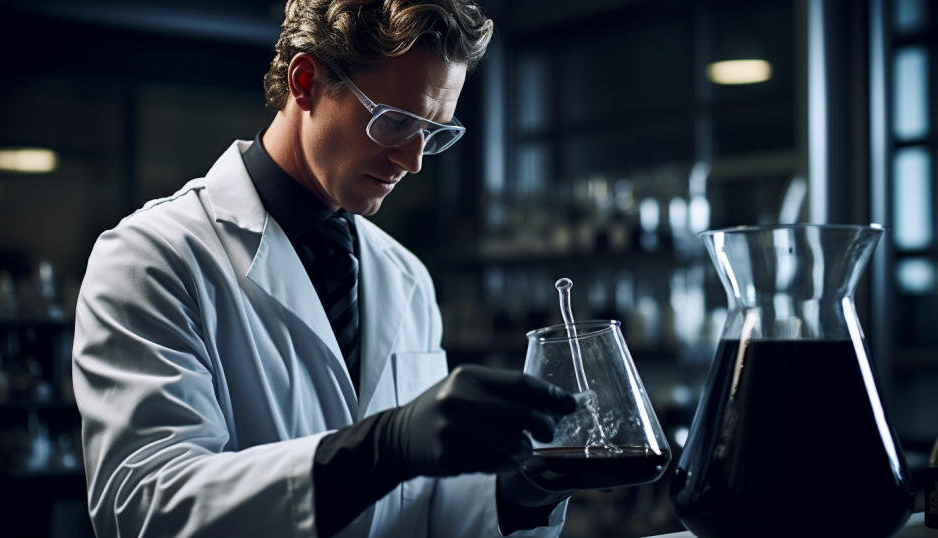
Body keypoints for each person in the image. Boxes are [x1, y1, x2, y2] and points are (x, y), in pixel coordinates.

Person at [72, 1, 580, 537]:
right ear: (306, 81)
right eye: (396, 122)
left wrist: (519, 493)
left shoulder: (405, 276)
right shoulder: (151, 257)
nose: (413, 160)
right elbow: (149, 507)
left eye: (434, 132)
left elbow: (423, 509)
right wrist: (379, 450)